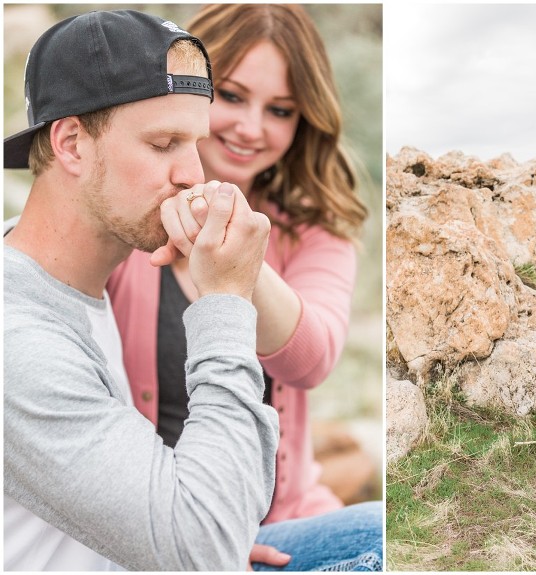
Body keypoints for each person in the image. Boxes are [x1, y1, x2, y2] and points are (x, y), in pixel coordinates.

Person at [103, 4, 382, 569]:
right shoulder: (125, 220)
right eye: (230, 96)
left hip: (278, 525)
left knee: (382, 535)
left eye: (279, 110)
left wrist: (233, 242)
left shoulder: (315, 234)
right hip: (148, 526)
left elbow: (310, 361)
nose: (252, 128)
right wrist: (196, 533)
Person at [4, 10, 279, 570]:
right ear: (72, 145)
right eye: (163, 144)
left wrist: (190, 523)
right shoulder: (19, 340)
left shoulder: (58, 277)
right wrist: (225, 302)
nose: (193, 176)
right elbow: (199, 551)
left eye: (194, 143)